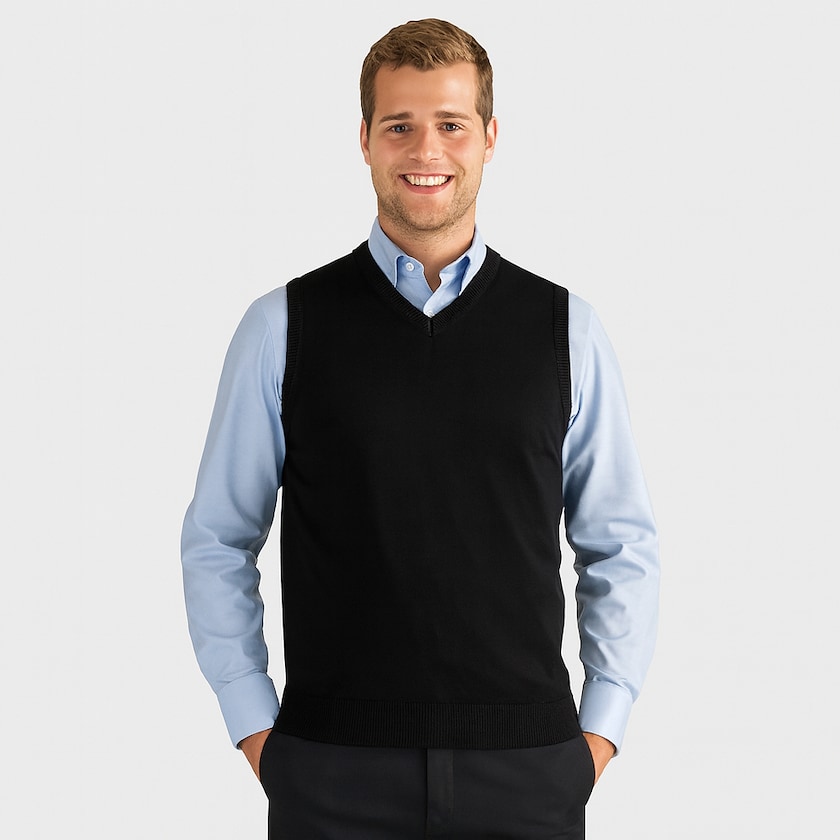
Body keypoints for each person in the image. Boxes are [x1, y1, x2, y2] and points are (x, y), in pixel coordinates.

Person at [181, 17, 659, 839]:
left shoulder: (566, 329)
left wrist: (598, 737)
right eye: (399, 126)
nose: (426, 149)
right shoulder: (283, 326)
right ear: (365, 140)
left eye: (451, 124)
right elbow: (218, 538)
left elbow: (620, 543)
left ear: (490, 137)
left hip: (529, 772)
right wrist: (257, 728)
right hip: (331, 774)